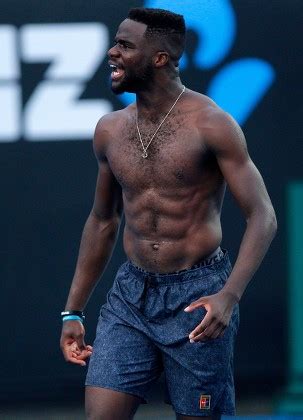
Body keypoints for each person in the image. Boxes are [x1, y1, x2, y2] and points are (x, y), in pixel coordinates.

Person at [60, 7, 277, 420]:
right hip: (131, 295)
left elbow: (263, 216)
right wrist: (73, 310)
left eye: (125, 45)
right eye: (114, 43)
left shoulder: (212, 124)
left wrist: (228, 296)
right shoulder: (110, 129)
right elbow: (103, 221)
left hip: (198, 297)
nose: (112, 53)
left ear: (159, 58)